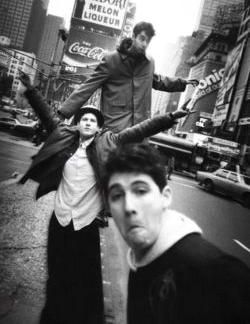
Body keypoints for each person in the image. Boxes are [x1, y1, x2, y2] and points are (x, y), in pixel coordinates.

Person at [18, 73, 192, 324]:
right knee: (57, 275)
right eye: (83, 119)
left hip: (87, 224)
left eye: (92, 120)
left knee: (84, 280)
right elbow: (46, 113)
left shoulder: (109, 141)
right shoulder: (64, 138)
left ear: (99, 127)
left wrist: (171, 117)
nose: (88, 122)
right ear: (77, 124)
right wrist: (31, 90)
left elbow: (141, 129)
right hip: (60, 220)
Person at [103, 143, 250, 324]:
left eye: (140, 191)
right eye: (117, 196)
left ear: (166, 197)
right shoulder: (140, 260)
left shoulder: (216, 273)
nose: (128, 207)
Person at [58, 21, 199, 132]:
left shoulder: (149, 63)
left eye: (147, 41)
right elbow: (87, 87)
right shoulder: (112, 60)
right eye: (142, 39)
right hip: (113, 126)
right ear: (133, 36)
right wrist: (63, 113)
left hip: (140, 128)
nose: (144, 44)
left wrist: (183, 83)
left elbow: (158, 81)